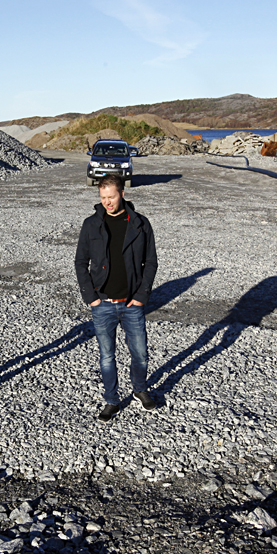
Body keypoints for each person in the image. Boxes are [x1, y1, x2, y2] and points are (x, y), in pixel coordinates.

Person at [75, 174, 158, 421]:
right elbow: (80, 262)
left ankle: (139, 389)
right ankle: (111, 400)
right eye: (102, 198)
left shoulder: (140, 223)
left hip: (132, 302)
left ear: (122, 194)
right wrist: (91, 297)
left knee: (140, 353)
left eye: (111, 197)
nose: (107, 202)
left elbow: (151, 262)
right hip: (103, 303)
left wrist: (142, 295)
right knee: (107, 357)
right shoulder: (91, 224)